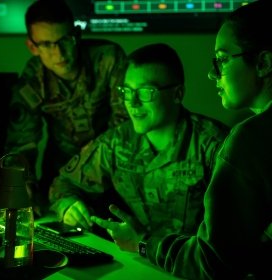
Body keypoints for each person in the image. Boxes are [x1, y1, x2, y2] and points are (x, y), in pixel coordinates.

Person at [98, 1, 272, 279]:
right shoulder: (115, 140)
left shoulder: (243, 140)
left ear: (263, 63)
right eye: (126, 91)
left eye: (222, 59)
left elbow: (210, 263)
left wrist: (143, 243)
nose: (212, 73)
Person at [49, 43, 228, 245]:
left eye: (145, 92)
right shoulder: (117, 141)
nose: (132, 103)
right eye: (126, 90)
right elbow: (64, 182)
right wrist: (69, 205)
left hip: (193, 267)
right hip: (138, 264)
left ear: (177, 94)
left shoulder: (214, 145)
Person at [4, 0, 128, 216]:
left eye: (65, 40)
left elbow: (125, 129)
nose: (59, 53)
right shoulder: (33, 79)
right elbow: (22, 144)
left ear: (77, 35)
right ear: (33, 47)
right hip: (61, 183)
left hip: (114, 176)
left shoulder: (108, 59)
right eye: (46, 44)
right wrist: (23, 188)